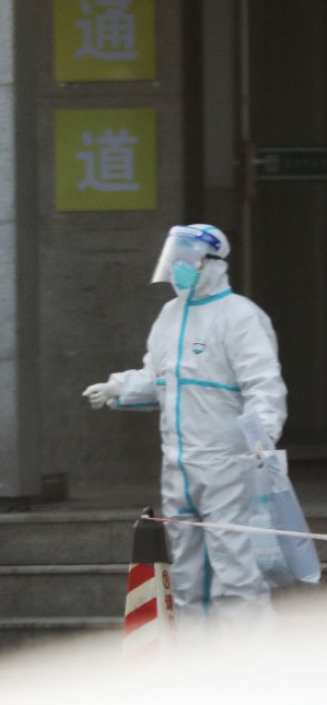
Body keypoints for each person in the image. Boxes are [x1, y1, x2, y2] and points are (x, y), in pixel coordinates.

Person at [82, 223, 287, 631]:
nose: (178, 268)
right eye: (173, 260)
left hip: (228, 461)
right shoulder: (170, 315)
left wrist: (261, 439)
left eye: (187, 260)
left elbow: (263, 386)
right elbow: (158, 379)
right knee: (188, 577)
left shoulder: (241, 316)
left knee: (236, 573)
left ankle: (250, 675)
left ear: (212, 264)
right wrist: (119, 388)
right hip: (178, 464)